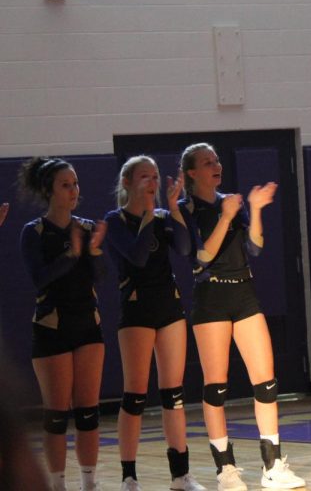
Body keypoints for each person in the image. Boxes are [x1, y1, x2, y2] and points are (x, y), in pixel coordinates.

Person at [179, 144, 305, 490]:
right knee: (216, 386)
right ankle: (226, 469)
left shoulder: (231, 201)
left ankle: (273, 465)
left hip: (244, 291)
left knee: (266, 381)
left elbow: (255, 248)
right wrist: (225, 216)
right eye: (208, 162)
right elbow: (201, 257)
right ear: (192, 172)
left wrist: (254, 208)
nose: (216, 165)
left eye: (217, 160)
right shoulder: (185, 208)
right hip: (211, 296)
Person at [104, 156, 205, 491]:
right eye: (144, 177)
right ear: (127, 183)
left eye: (155, 176)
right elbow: (137, 256)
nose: (152, 182)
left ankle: (181, 474)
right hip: (136, 310)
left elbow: (186, 247)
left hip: (169, 307)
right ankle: (129, 476)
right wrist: (149, 215)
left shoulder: (163, 216)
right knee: (134, 395)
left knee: (173, 394)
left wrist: (174, 209)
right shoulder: (115, 220)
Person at [18, 157, 108, 491]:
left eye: (76, 184)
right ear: (49, 190)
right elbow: (40, 280)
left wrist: (95, 251)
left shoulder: (84, 227)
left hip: (87, 324)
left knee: (88, 414)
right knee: (56, 417)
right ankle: (57, 485)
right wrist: (71, 254)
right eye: (65, 185)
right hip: (51, 328)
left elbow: (100, 276)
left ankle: (90, 484)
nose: (73, 191)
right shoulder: (35, 232)